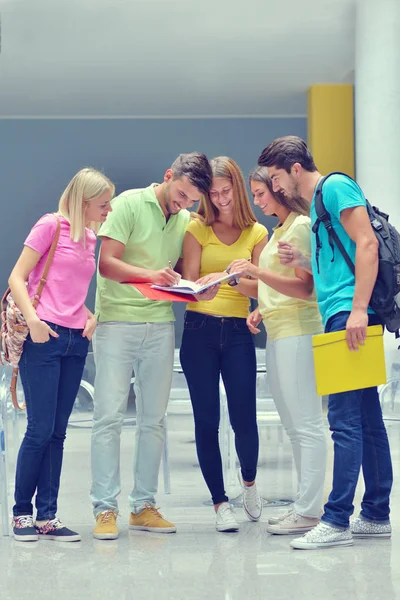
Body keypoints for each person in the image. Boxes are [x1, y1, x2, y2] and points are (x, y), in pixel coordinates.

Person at [258, 136, 393, 549]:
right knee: (366, 417)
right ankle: (376, 513)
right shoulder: (317, 207)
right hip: (340, 311)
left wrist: (358, 309)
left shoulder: (334, 187)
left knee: (343, 419)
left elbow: (367, 242)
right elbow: (339, 259)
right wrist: (302, 262)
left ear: (295, 168)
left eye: (277, 178)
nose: (276, 187)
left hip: (348, 316)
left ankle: (335, 521)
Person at [91, 152, 213, 540]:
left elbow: (174, 274)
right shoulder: (127, 204)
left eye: (192, 200)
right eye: (181, 194)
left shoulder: (182, 220)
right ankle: (104, 509)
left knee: (154, 420)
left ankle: (143, 506)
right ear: (167, 176)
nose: (184, 204)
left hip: (160, 325)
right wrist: (150, 273)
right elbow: (106, 263)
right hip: (116, 323)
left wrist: (193, 286)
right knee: (108, 417)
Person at [9, 168, 114, 542]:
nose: (108, 209)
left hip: (75, 341)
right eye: (103, 204)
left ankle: (47, 517)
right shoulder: (50, 226)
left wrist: (89, 314)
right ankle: (21, 513)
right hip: (44, 338)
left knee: (58, 432)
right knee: (39, 430)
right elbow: (17, 278)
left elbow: (68, 289)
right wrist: (35, 321)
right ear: (83, 202)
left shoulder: (89, 237)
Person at [227, 166, 327, 536]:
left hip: (299, 333)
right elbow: (277, 287)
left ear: (279, 187)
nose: (257, 201)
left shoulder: (301, 225)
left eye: (261, 193)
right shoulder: (280, 230)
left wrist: (255, 270)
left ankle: (310, 509)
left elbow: (305, 290)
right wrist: (249, 293)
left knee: (307, 424)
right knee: (294, 425)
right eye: (253, 194)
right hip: (280, 331)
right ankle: (305, 506)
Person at [180, 156, 268, 532]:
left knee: (244, 417)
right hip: (198, 330)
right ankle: (220, 504)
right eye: (213, 194)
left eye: (225, 191)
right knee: (206, 421)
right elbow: (188, 284)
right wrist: (205, 285)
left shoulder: (257, 233)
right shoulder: (196, 227)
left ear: (237, 187)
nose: (219, 199)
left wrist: (231, 279)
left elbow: (261, 286)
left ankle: (248, 483)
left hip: (236, 333)